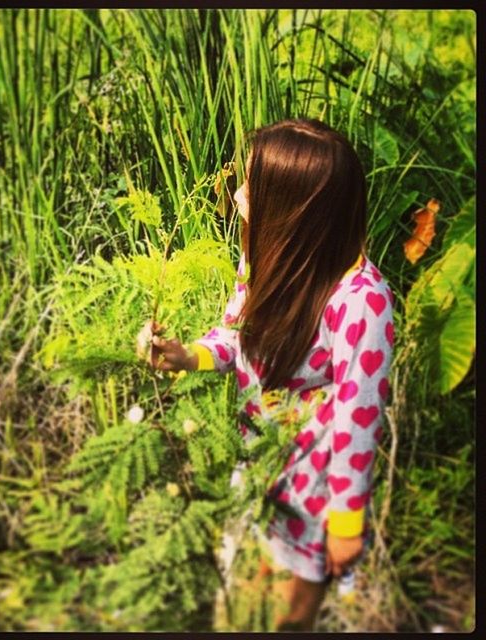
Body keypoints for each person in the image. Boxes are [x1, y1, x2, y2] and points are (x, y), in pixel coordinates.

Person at [138, 118, 394, 631]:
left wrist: (346, 523)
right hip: (253, 470)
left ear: (296, 209)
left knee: (277, 620)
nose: (237, 195)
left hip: (312, 501)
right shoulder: (267, 259)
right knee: (235, 606)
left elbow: (357, 418)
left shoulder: (362, 302)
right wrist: (188, 355)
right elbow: (235, 334)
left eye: (253, 187)